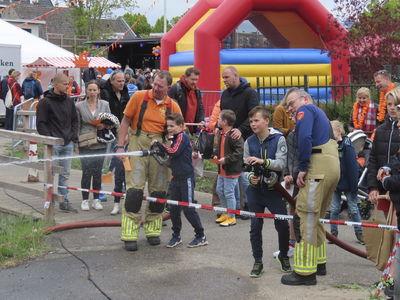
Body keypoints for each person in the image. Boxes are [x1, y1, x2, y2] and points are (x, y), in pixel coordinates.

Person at [116, 71, 184, 252]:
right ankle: (130, 234)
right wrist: (120, 147)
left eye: (160, 86)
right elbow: (124, 123)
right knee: (134, 191)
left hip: (161, 147)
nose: (155, 88)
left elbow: (179, 133)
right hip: (138, 143)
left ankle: (153, 230)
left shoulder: (174, 106)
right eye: (154, 84)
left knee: (159, 191)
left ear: (168, 88)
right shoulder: (138, 97)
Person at [281, 89, 340, 286]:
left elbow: (304, 138)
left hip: (318, 166)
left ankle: (305, 272)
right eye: (288, 106)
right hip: (331, 165)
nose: (290, 108)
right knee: (317, 217)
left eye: (292, 103)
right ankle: (319, 263)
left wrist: (303, 167)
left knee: (305, 216)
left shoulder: (305, 110)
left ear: (304, 99)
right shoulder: (321, 114)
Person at [244, 106, 291, 277]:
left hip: (274, 190)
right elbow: (245, 166)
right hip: (255, 191)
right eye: (250, 121)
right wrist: (250, 177)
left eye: (256, 120)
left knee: (283, 225)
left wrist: (263, 162)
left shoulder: (278, 139)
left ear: (266, 121)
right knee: (255, 227)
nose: (253, 124)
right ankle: (257, 261)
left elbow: (281, 163)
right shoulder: (249, 141)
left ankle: (284, 256)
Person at [151, 113, 207, 248]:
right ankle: (176, 236)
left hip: (186, 178)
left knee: (188, 209)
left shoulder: (183, 137)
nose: (169, 128)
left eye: (172, 126)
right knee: (174, 209)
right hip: (175, 177)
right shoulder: (174, 138)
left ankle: (201, 236)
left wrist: (159, 144)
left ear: (180, 126)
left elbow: (174, 152)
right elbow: (173, 157)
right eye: (168, 126)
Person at [367, 87, 400, 286]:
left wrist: (392, 185)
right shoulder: (380, 130)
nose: (392, 108)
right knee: (387, 235)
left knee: (396, 235)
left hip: (396, 188)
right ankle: (387, 276)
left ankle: (393, 279)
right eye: (389, 104)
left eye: (396, 104)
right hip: (384, 189)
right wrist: (373, 186)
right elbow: (372, 162)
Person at [36, 73, 79, 213]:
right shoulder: (45, 102)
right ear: (56, 85)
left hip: (67, 142)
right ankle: (49, 201)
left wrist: (73, 136)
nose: (68, 86)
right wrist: (50, 139)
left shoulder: (69, 101)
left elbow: (74, 120)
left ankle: (63, 201)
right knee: (50, 174)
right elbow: (41, 124)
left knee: (65, 173)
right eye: (65, 84)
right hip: (53, 144)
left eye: (69, 84)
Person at [74, 80, 112, 211]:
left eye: (94, 90)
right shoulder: (79, 106)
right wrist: (76, 144)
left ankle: (96, 199)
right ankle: (85, 199)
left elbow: (111, 120)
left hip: (100, 141)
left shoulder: (105, 104)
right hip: (85, 142)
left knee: (97, 172)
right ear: (86, 91)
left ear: (98, 91)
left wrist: (105, 125)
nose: (92, 92)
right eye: (89, 90)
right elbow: (77, 125)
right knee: (86, 171)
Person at [329, 120, 364, 245]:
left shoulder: (347, 147)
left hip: (348, 183)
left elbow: (352, 168)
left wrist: (354, 187)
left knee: (353, 209)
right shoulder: (330, 145)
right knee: (334, 209)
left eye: (331, 130)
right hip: (336, 183)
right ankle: (333, 233)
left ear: (339, 132)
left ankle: (359, 232)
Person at [274, 95, 299, 259]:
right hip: (294, 177)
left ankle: (302, 247)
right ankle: (291, 245)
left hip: (304, 178)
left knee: (302, 213)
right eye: (290, 117)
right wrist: (288, 175)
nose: (292, 119)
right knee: (292, 209)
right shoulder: (293, 136)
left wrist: (295, 175)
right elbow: (290, 158)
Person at [213, 109, 244, 227]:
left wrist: (226, 159)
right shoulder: (222, 134)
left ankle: (232, 217)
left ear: (224, 122)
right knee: (220, 191)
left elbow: (239, 151)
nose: (217, 121)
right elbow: (219, 148)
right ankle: (227, 212)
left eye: (219, 119)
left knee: (229, 193)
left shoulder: (233, 135)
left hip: (231, 170)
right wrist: (215, 155)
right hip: (222, 170)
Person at [167, 67, 205, 135]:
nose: (194, 82)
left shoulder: (197, 91)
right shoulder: (176, 88)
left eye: (196, 80)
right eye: (192, 79)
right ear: (186, 77)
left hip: (190, 129)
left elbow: (200, 108)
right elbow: (168, 107)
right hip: (178, 128)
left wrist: (201, 120)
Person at [108, 133, 129, 215]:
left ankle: (127, 207)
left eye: (125, 135)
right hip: (118, 172)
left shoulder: (131, 147)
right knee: (117, 188)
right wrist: (110, 170)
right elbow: (113, 159)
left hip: (128, 172)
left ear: (129, 136)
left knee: (129, 189)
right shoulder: (116, 147)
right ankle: (116, 206)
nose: (123, 137)